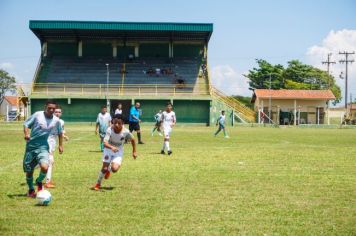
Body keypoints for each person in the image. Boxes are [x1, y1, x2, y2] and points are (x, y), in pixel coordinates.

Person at [23, 100, 64, 198]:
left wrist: (61, 145)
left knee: (45, 167)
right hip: (31, 147)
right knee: (29, 171)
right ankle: (31, 189)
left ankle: (39, 181)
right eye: (49, 108)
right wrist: (27, 134)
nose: (51, 110)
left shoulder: (56, 120)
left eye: (53, 108)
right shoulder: (38, 115)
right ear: (45, 106)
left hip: (43, 147)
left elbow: (60, 132)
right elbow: (26, 124)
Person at [92, 116, 137, 190]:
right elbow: (105, 143)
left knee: (114, 169)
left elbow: (133, 140)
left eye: (119, 123)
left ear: (122, 123)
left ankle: (109, 170)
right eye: (115, 122)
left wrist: (134, 151)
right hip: (108, 149)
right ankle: (98, 184)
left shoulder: (126, 132)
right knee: (104, 168)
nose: (116, 125)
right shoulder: (109, 130)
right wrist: (112, 147)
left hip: (118, 151)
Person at [45, 106, 69, 188]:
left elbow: (60, 132)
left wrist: (64, 137)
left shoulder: (61, 122)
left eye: (59, 112)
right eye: (56, 112)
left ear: (61, 113)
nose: (57, 113)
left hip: (53, 142)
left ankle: (48, 179)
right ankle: (47, 181)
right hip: (47, 141)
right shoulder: (49, 120)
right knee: (50, 161)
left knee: (49, 161)